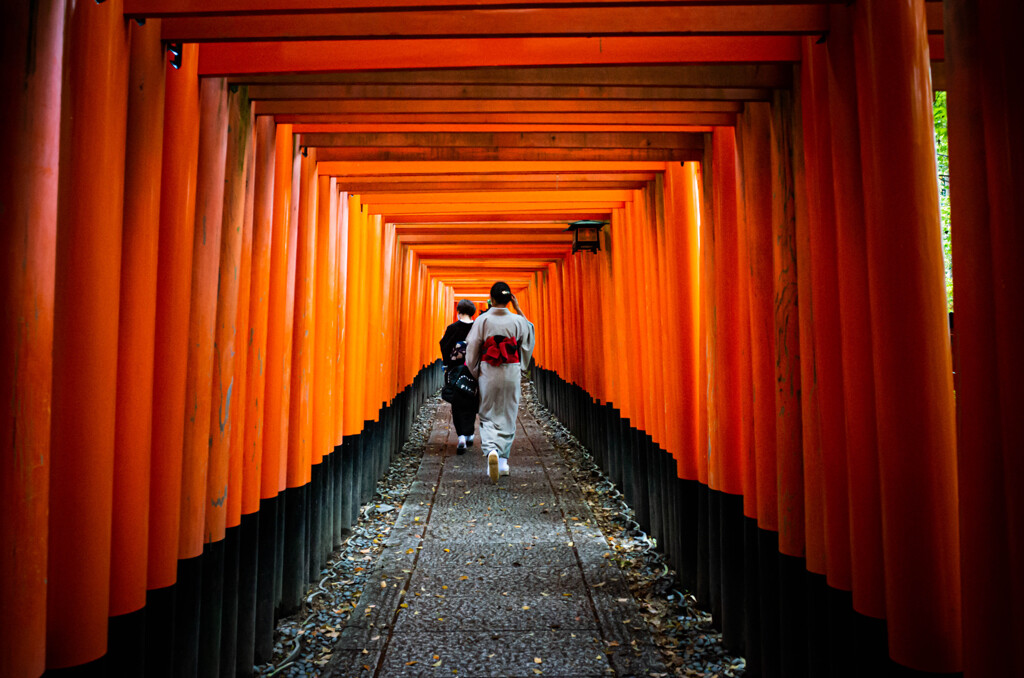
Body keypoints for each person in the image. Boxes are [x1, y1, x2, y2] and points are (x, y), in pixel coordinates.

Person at [465, 282, 536, 483]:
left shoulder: (483, 319)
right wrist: (519, 309)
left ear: (492, 299)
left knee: (487, 413)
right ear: (509, 299)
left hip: (488, 368)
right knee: (508, 412)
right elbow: (528, 338)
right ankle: (503, 461)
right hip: (511, 369)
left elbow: (472, 348)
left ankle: (491, 451)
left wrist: (476, 369)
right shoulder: (518, 321)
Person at [439, 299, 478, 453]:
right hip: (473, 371)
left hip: (456, 370)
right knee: (472, 401)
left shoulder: (452, 328)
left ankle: (461, 436)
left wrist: (449, 362)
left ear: (459, 311)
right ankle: (469, 434)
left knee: (457, 403)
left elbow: (444, 345)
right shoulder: (477, 328)